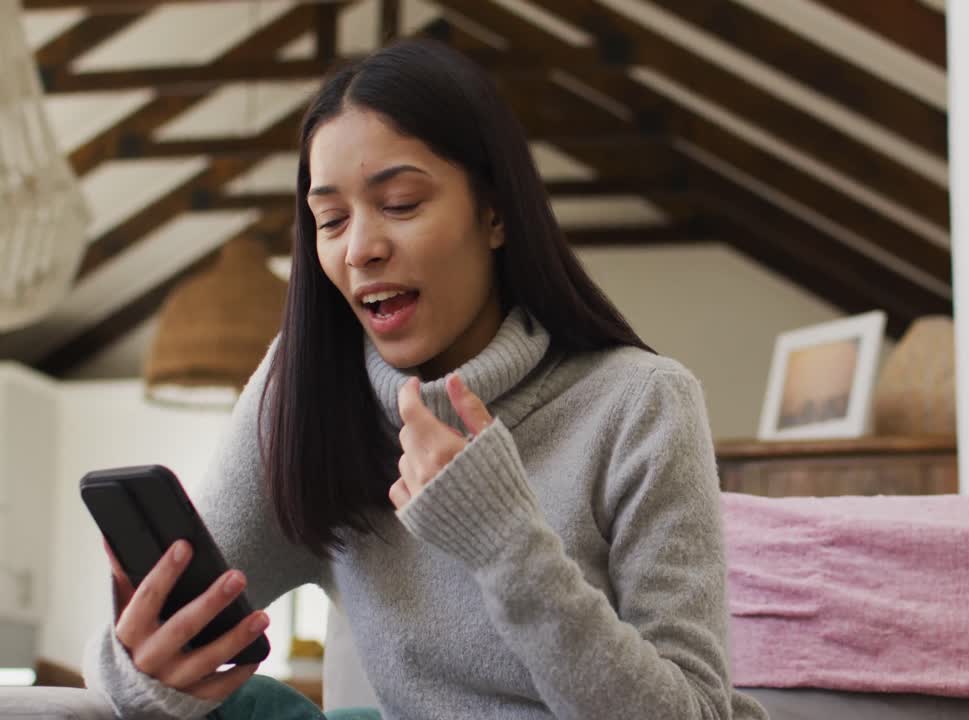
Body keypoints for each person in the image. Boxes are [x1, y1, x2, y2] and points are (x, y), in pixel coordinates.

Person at [82, 38, 769, 720]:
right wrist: (142, 667)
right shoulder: (309, 392)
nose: (360, 248)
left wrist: (504, 541)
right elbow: (172, 637)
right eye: (331, 219)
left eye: (402, 203)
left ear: (494, 213)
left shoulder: (641, 404)